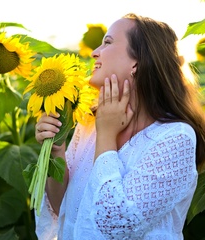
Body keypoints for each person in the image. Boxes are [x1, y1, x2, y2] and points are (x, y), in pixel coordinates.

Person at [34, 13, 205, 240]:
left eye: (108, 42)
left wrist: (107, 134)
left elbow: (115, 225)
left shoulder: (175, 137)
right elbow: (63, 209)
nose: (95, 52)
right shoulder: (88, 125)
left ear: (138, 62)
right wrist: (57, 150)